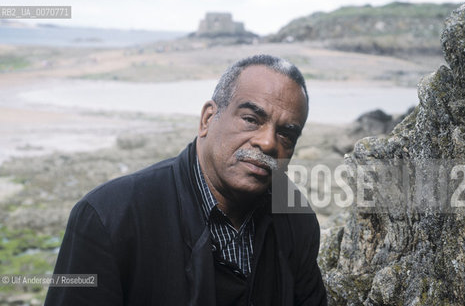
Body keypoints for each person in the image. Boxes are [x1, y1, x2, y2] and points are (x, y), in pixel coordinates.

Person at [45, 54, 328, 305]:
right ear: (207, 119)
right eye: (251, 119)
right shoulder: (109, 217)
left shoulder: (294, 217)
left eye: (286, 134)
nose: (267, 142)